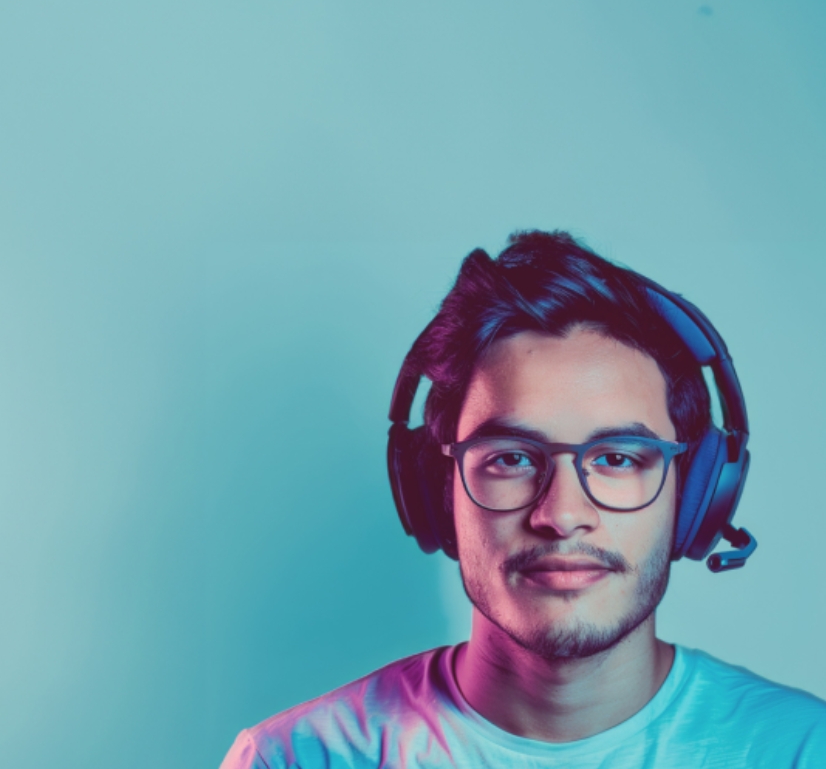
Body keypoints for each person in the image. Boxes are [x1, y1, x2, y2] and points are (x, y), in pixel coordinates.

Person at [220, 230, 826, 768]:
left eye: (618, 459)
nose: (561, 515)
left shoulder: (804, 751)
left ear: (695, 497)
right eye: (511, 458)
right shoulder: (294, 760)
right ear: (439, 492)